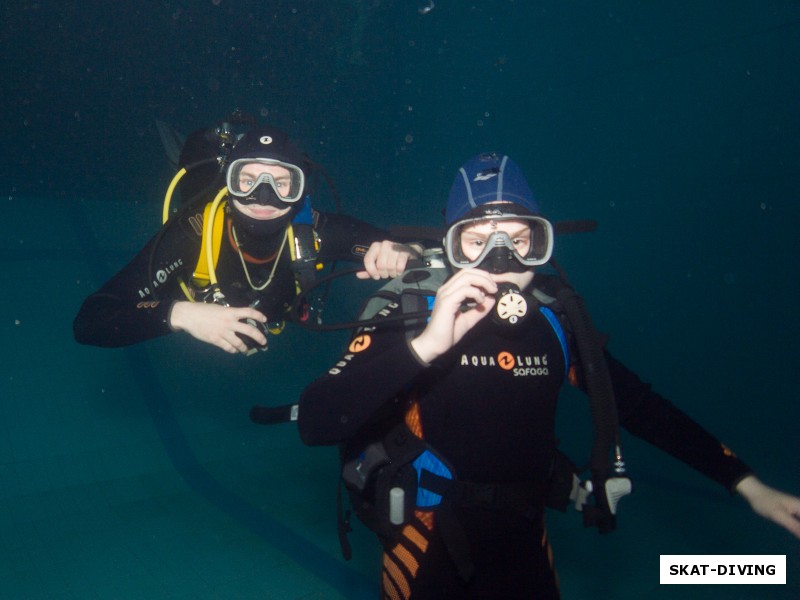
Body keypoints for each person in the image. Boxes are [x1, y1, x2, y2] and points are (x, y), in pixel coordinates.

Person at [297, 153, 800, 599]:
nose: (501, 260)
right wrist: (426, 346)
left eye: (520, 240)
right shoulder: (408, 312)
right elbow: (317, 421)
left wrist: (745, 483)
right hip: (426, 541)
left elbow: (640, 406)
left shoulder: (557, 320)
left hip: (525, 539)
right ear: (450, 249)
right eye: (476, 242)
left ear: (543, 243)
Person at [73, 123, 418, 354]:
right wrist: (179, 314)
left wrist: (406, 252)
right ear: (229, 183)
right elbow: (92, 320)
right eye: (247, 180)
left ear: (299, 191)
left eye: (281, 183)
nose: (263, 198)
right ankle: (197, 158)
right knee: (194, 189)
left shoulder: (318, 232)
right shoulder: (191, 234)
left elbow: (426, 253)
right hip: (199, 289)